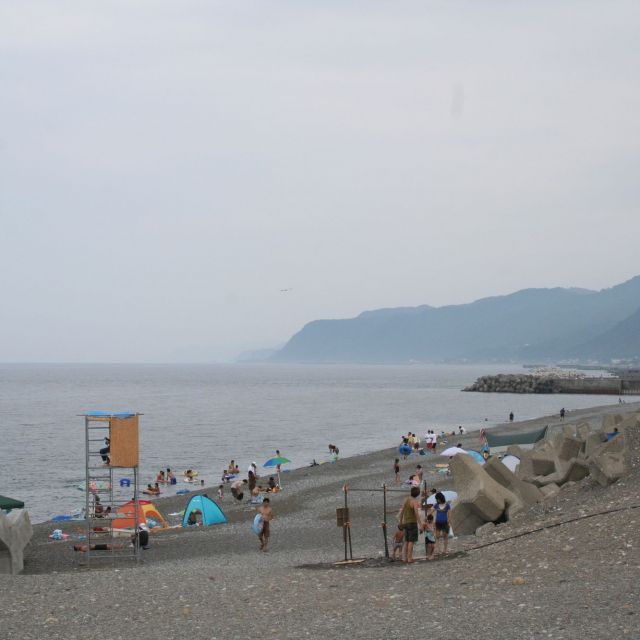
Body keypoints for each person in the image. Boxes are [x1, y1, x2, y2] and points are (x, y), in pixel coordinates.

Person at [398, 486, 423, 564]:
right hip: (412, 523)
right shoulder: (414, 501)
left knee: (406, 541)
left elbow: (402, 512)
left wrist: (401, 522)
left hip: (406, 523)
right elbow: (416, 513)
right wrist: (420, 524)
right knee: (411, 541)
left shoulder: (406, 499)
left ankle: (404, 558)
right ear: (418, 494)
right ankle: (409, 558)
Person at [434, 491, 451, 556]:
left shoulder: (447, 505)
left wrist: (449, 523)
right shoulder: (436, 505)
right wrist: (427, 516)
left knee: (445, 536)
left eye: (437, 498)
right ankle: (438, 549)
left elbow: (449, 515)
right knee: (437, 536)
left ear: (440, 498)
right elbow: (431, 511)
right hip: (438, 522)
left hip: (445, 522)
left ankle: (445, 550)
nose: (436, 500)